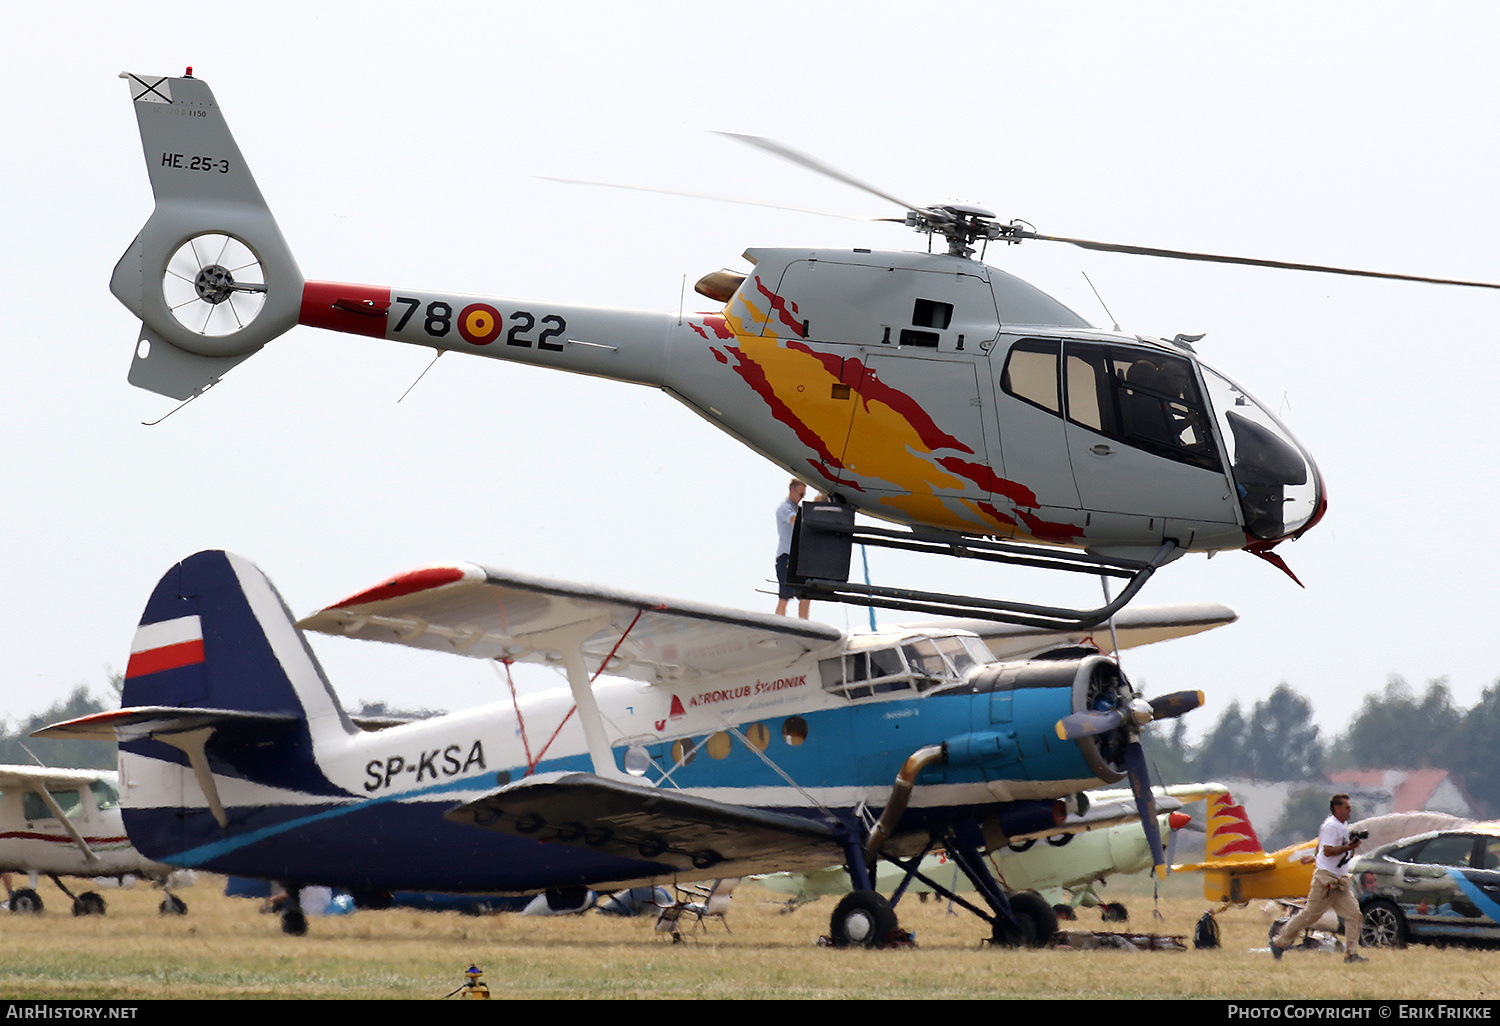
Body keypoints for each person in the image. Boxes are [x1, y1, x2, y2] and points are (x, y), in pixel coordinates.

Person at [1271, 793, 1367, 963]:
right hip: (1326, 880)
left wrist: (1316, 855)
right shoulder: (1332, 826)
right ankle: (1279, 942)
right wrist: (1349, 847)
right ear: (1337, 809)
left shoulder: (1340, 825)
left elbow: (1321, 846)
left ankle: (1351, 954)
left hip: (1340, 880)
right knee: (1310, 915)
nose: (1350, 810)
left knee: (1354, 915)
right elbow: (1329, 850)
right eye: (1347, 807)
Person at [774, 479, 809, 619]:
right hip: (786, 556)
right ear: (792, 491)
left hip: (798, 558)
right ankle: (779, 623)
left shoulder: (798, 509)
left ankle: (804, 624)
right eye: (801, 494)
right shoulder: (784, 508)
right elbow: (794, 520)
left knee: (806, 595)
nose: (802, 498)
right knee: (785, 595)